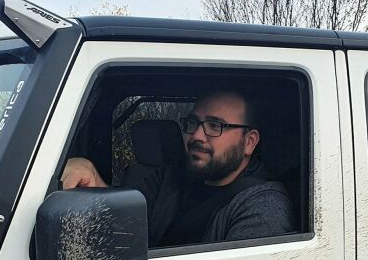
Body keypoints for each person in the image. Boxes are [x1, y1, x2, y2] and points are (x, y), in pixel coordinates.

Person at [60, 90, 296, 247]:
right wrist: (89, 174)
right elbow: (120, 221)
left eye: (215, 125)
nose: (197, 135)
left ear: (249, 142)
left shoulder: (264, 206)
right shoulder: (173, 176)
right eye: (192, 123)